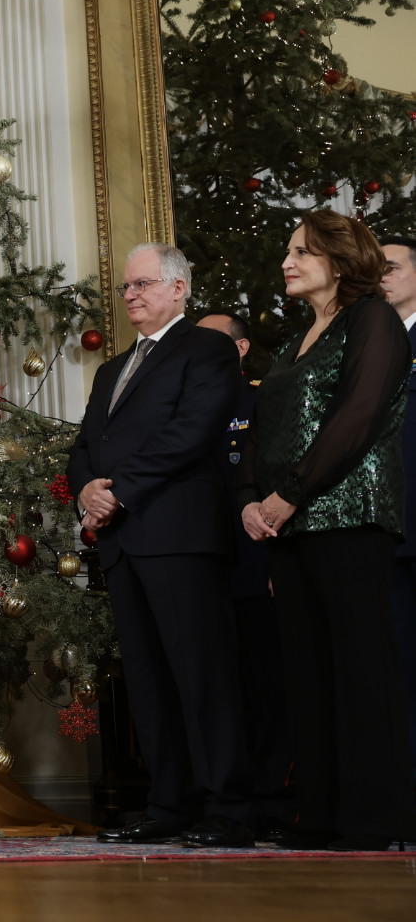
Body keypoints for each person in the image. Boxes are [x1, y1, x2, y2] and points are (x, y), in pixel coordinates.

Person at [238, 211, 416, 851]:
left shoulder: (374, 320)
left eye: (302, 252)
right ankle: (318, 815)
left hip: (350, 516)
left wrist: (289, 495)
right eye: (288, 251)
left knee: (359, 667)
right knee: (307, 671)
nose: (287, 262)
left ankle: (372, 818)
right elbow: (263, 428)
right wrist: (250, 500)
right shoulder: (296, 339)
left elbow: (359, 415)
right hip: (288, 525)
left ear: (340, 262)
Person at [68, 243, 252, 848]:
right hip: (123, 542)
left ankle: (228, 810)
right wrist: (86, 490)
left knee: (202, 675)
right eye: (127, 287)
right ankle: (169, 804)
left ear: (178, 288)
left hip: (180, 536)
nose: (131, 295)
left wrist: (116, 492)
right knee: (148, 680)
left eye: (143, 284)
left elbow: (190, 433)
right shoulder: (112, 369)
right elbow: (85, 447)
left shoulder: (207, 348)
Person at [195, 310, 292, 839]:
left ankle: (273, 803)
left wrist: (280, 562)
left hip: (255, 564)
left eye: (213, 342)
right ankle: (220, 804)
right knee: (216, 691)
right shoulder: (185, 405)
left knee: (267, 690)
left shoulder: (261, 400)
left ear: (241, 348)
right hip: (200, 568)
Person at [381, 234, 416, 784]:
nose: (379, 276)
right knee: (396, 665)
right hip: (384, 531)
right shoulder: (371, 343)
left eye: (389, 267)